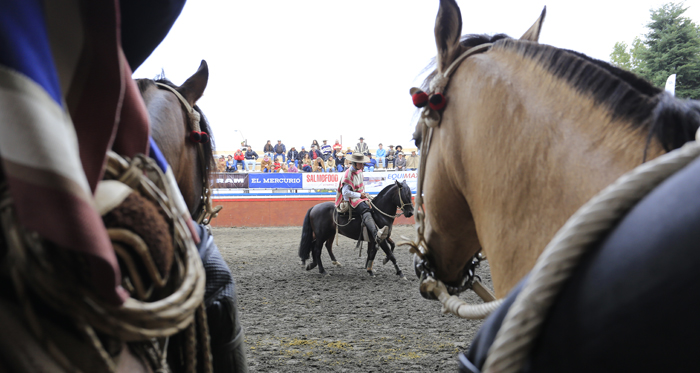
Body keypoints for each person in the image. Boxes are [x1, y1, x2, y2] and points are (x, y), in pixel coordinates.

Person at [335, 153, 388, 244]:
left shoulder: (359, 171)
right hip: (350, 199)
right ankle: (375, 235)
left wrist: (363, 193)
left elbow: (360, 186)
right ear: (355, 163)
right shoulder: (348, 174)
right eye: (361, 163)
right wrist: (360, 195)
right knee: (365, 209)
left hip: (358, 196)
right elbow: (345, 193)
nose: (363, 165)